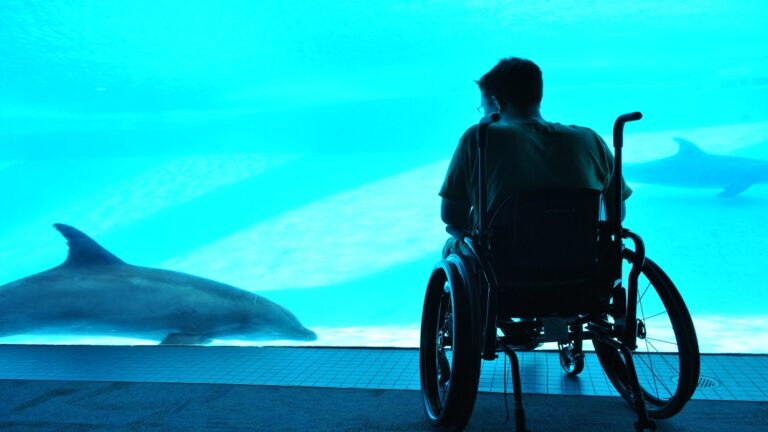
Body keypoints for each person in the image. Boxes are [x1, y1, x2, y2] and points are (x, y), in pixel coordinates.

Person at [439, 57, 632, 257]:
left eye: (483, 107)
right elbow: (618, 215)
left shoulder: (479, 137)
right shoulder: (590, 139)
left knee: (451, 246)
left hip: (506, 270)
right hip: (582, 265)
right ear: (538, 95)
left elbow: (451, 216)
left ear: (497, 102)